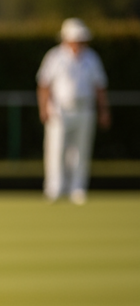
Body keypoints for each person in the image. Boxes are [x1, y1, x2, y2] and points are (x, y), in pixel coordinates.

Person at [37, 18, 110, 204]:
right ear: (66, 39)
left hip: (85, 109)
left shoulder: (91, 57)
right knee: (56, 149)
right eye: (75, 38)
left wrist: (104, 111)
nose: (78, 42)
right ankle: (55, 187)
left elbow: (99, 86)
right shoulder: (54, 56)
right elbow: (44, 84)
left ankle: (77, 188)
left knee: (81, 150)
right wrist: (44, 107)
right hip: (60, 110)